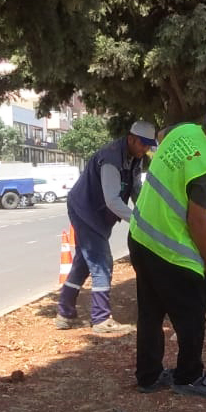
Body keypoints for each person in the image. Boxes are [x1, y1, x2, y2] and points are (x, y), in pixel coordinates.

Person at [127, 103, 206, 399]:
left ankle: (148, 376)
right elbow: (197, 220)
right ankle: (190, 377)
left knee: (150, 313)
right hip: (172, 252)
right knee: (193, 316)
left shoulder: (182, 131)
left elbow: (161, 133)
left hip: (141, 237)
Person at [55, 120, 157, 333]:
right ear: (131, 139)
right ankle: (101, 319)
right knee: (102, 262)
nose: (146, 149)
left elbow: (136, 189)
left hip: (99, 214)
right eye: (143, 144)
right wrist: (139, 222)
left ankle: (64, 313)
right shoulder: (111, 159)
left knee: (84, 262)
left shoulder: (135, 157)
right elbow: (112, 200)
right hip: (86, 211)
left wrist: (148, 213)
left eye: (149, 145)